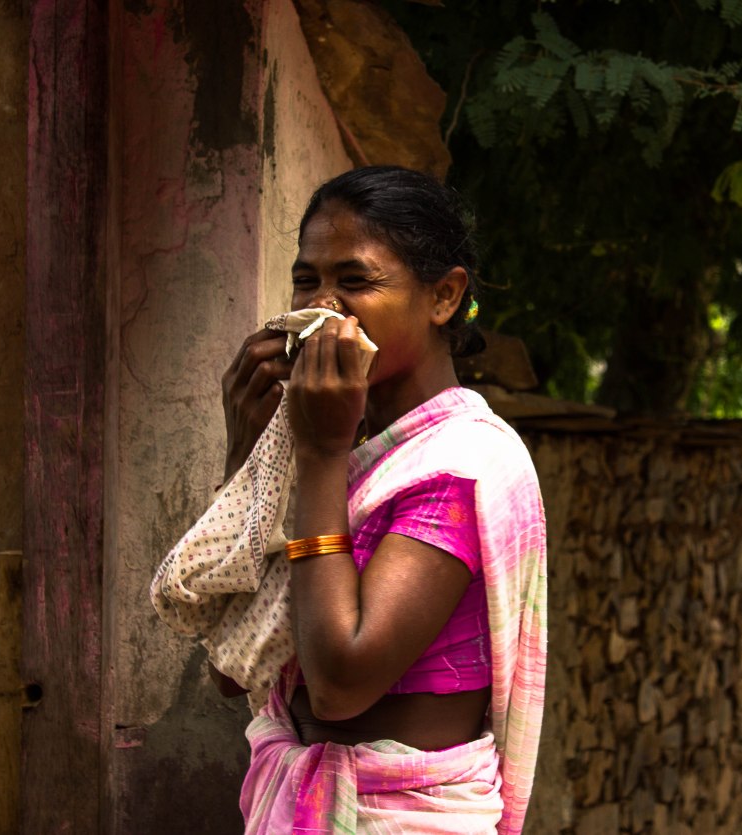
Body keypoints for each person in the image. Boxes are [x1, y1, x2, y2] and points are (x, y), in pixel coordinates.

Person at [151, 166, 547, 834]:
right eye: (307, 280)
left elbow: (339, 686)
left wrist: (322, 454)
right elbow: (237, 669)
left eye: (355, 281)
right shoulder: (342, 448)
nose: (325, 306)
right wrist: (247, 458)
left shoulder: (462, 462)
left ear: (444, 296)